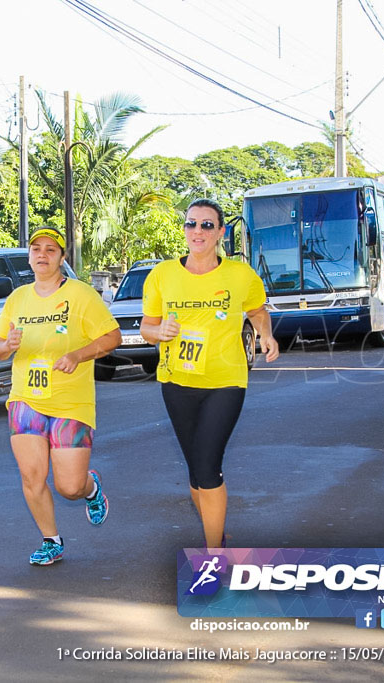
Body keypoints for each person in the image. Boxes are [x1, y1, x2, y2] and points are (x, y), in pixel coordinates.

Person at [139, 199, 279, 549]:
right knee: (194, 468)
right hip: (176, 381)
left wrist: (266, 334)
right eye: (191, 224)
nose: (197, 231)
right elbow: (146, 327)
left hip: (225, 381)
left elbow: (257, 310)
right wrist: (160, 334)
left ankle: (214, 551)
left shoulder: (240, 275)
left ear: (220, 232)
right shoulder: (162, 275)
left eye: (206, 225)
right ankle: (215, 532)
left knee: (207, 463)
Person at [0, 227, 121, 566]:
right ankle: (51, 540)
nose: (42, 255)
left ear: (62, 257)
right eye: (36, 249)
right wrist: (8, 346)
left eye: (51, 249)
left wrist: (78, 355)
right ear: (29, 256)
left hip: (70, 402)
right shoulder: (18, 298)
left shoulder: (81, 294)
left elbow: (112, 337)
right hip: (25, 399)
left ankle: (90, 487)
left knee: (68, 487)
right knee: (32, 477)